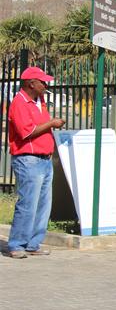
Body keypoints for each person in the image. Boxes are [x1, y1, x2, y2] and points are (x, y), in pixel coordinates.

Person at [6, 67, 66, 258]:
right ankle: (17, 244)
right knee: (28, 204)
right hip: (28, 160)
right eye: (42, 82)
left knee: (43, 205)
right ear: (31, 83)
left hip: (44, 159)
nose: (46, 85)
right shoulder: (19, 103)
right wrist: (52, 123)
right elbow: (27, 132)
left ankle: (33, 243)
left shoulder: (40, 101)